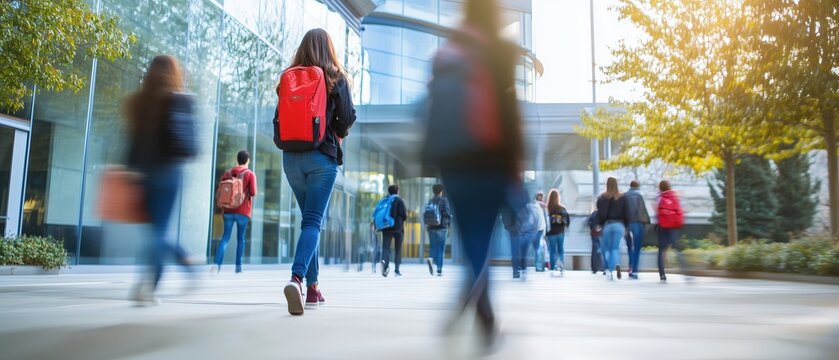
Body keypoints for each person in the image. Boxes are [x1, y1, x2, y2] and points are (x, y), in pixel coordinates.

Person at [421, 0, 524, 349]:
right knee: (482, 235)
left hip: (452, 160)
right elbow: (508, 110)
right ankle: (475, 299)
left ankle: (482, 309)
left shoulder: (448, 51)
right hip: (488, 157)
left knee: (471, 236)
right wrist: (515, 162)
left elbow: (432, 109)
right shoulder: (499, 50)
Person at [278, 28, 356, 315]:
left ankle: (313, 288)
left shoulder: (288, 76)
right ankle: (296, 279)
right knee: (313, 223)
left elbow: (278, 119)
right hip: (322, 158)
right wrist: (338, 131)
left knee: (307, 222)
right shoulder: (335, 75)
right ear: (329, 48)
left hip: (291, 160)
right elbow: (347, 117)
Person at [126, 55, 198, 305]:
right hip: (170, 172)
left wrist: (128, 169)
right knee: (157, 232)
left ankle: (148, 286)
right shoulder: (179, 99)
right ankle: (181, 263)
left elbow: (133, 143)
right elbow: (190, 142)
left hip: (144, 174)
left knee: (154, 232)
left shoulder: (139, 102)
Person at [213, 150, 257, 274]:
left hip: (227, 210)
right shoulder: (250, 174)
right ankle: (238, 267)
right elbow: (253, 192)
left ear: (237, 160)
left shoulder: (228, 173)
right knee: (240, 239)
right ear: (247, 160)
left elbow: (219, 191)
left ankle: (217, 264)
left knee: (225, 238)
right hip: (243, 212)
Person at [596, 177, 630, 281]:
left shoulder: (602, 197)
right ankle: (616, 265)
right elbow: (627, 213)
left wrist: (599, 224)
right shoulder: (623, 197)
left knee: (606, 249)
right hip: (619, 225)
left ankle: (609, 269)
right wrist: (626, 226)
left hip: (607, 225)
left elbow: (599, 213)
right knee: (615, 248)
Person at [656, 180, 685, 283]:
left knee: (662, 250)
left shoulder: (659, 197)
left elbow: (657, 212)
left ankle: (662, 274)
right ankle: (685, 270)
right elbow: (680, 211)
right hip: (674, 226)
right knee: (677, 248)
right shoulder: (675, 196)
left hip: (662, 226)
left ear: (660, 188)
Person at [623, 180, 650, 279]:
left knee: (629, 246)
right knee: (637, 247)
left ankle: (630, 266)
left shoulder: (624, 196)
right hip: (637, 223)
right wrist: (647, 223)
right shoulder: (640, 195)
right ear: (638, 186)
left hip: (626, 223)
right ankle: (634, 270)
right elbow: (643, 211)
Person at [425, 183, 452, 276]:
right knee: (441, 248)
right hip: (442, 227)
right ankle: (439, 269)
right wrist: (449, 224)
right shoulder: (444, 200)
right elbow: (448, 213)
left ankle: (431, 258)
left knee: (433, 246)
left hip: (431, 227)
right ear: (441, 191)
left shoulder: (430, 201)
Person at [381, 184, 408, 277]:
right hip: (398, 229)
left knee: (386, 248)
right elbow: (404, 215)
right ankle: (397, 270)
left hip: (386, 228)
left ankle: (385, 267)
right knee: (398, 249)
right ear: (397, 191)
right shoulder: (399, 200)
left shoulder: (385, 200)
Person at [546, 189, 570, 276]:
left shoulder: (548, 209)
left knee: (552, 251)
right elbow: (567, 220)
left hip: (551, 233)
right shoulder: (562, 208)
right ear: (558, 197)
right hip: (560, 232)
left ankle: (552, 269)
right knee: (561, 250)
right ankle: (561, 268)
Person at [588, 208, 605, 274]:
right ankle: (603, 267)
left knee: (595, 250)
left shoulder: (594, 213)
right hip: (602, 234)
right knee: (603, 250)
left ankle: (594, 268)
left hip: (594, 234)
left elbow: (590, 223)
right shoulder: (605, 213)